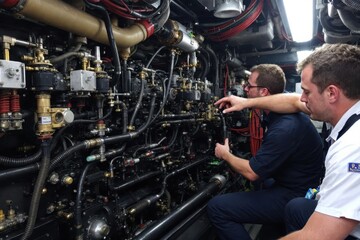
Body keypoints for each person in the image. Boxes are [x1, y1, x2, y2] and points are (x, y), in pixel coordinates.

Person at [214, 43, 360, 240]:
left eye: (307, 92)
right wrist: (246, 103)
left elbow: (315, 237)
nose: (302, 99)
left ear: (332, 93)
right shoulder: (347, 111)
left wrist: (225, 154)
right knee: (296, 208)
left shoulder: (352, 148)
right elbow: (292, 101)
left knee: (218, 207)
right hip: (309, 188)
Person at [207, 64, 324, 240]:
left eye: (249, 86)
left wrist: (225, 154)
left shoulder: (285, 128)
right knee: (263, 183)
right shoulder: (281, 108)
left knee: (218, 207)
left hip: (295, 194)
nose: (244, 89)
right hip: (296, 182)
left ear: (263, 92)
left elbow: (252, 173)